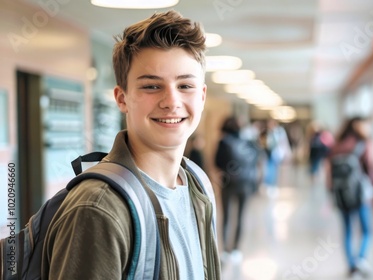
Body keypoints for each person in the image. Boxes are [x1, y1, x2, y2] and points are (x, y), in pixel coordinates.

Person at [41, 11, 221, 279]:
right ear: (122, 98)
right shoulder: (98, 207)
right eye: (151, 86)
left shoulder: (198, 185)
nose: (171, 101)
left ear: (202, 96)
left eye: (185, 85)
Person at [326, 116, 373, 278]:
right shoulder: (364, 143)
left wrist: (331, 192)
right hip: (360, 194)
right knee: (366, 230)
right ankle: (361, 259)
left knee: (347, 230)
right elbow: (370, 168)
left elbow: (329, 172)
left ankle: (351, 265)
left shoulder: (337, 145)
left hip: (341, 193)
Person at [215, 116, 260, 263]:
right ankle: (236, 250)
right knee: (241, 216)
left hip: (228, 184)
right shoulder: (250, 142)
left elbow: (217, 163)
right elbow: (257, 161)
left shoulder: (224, 142)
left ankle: (225, 251)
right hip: (246, 184)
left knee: (226, 217)